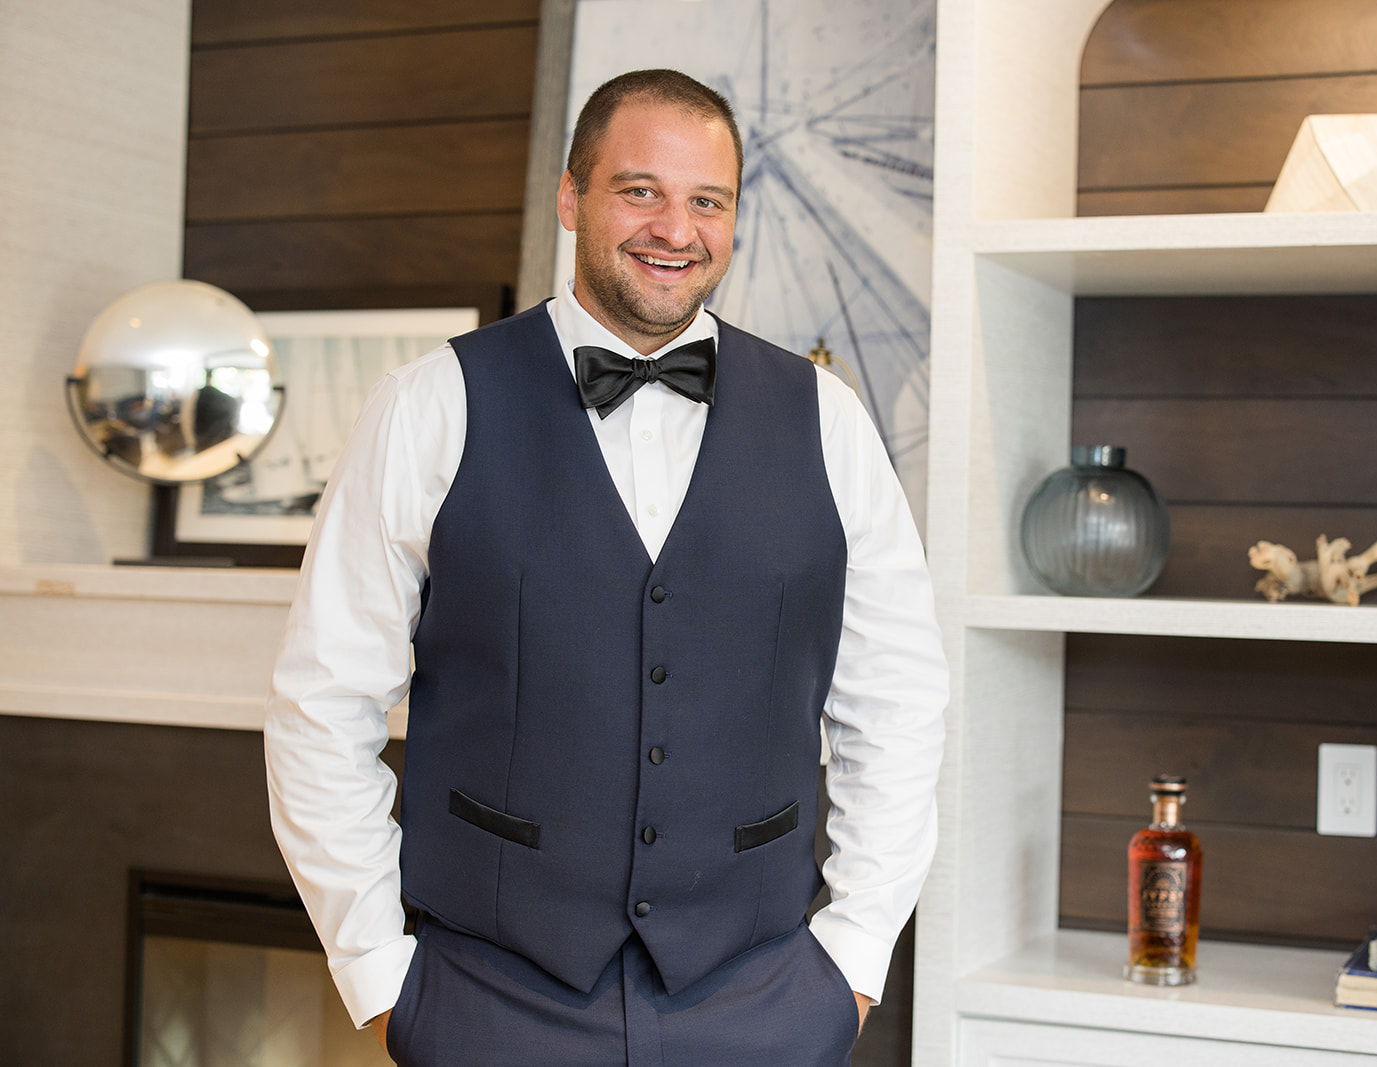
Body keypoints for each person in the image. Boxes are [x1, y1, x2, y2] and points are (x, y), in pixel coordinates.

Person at [264, 68, 946, 1066]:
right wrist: (377, 972)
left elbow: (894, 699)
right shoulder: (430, 402)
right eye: (640, 190)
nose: (676, 227)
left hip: (761, 995)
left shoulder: (826, 419)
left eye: (706, 200)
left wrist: (849, 959)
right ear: (572, 196)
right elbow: (324, 700)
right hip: (488, 994)